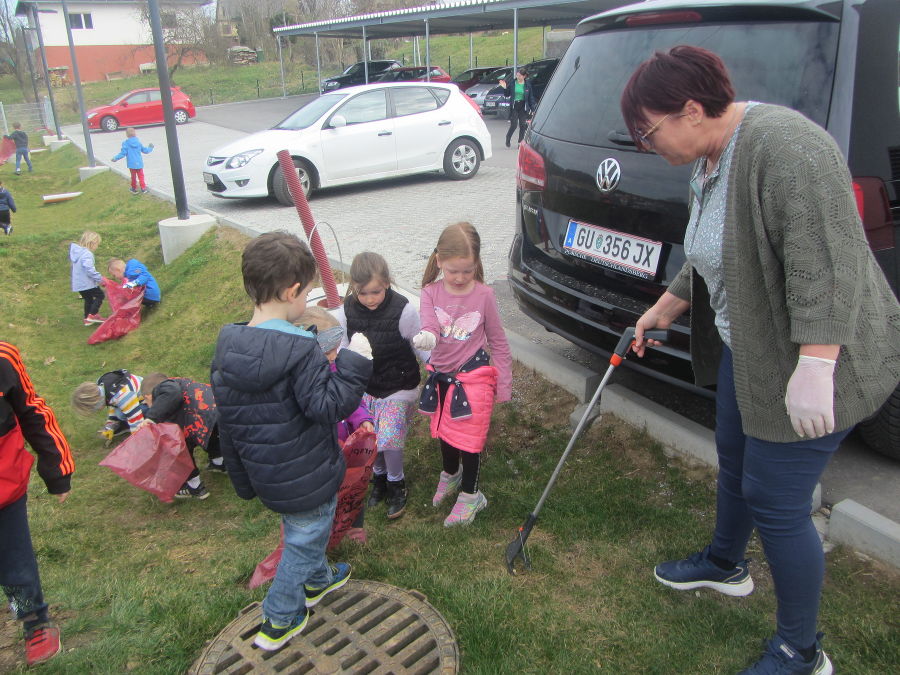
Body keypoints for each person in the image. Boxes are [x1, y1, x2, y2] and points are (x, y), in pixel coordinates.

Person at [620, 46, 900, 675]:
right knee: (737, 463)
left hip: (818, 360)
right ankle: (726, 563)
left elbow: (823, 269)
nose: (645, 145)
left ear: (692, 110)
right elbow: (718, 247)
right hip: (752, 353)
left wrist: (817, 365)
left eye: (648, 130)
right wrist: (667, 304)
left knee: (776, 500)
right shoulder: (709, 156)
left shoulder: (788, 150)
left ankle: (803, 652)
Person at [210, 231, 373, 651]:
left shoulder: (229, 345)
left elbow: (227, 422)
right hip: (307, 473)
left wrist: (243, 481)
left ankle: (318, 581)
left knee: (303, 531)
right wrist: (356, 362)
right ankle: (280, 616)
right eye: (306, 295)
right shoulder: (301, 349)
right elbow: (328, 406)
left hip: (269, 476)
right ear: (292, 291)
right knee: (304, 538)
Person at [414, 222, 512, 527]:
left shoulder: (483, 296)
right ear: (439, 260)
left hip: (474, 378)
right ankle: (451, 475)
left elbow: (498, 341)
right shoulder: (430, 293)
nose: (459, 278)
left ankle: (471, 496)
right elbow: (430, 325)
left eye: (467, 271)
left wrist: (504, 383)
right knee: (445, 431)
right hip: (442, 375)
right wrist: (427, 338)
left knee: (470, 440)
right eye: (453, 270)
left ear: (477, 265)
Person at [333, 252, 427, 521]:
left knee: (389, 436)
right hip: (366, 387)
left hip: (399, 385)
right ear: (353, 288)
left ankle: (397, 483)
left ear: (387, 283)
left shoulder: (404, 310)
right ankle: (380, 477)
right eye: (363, 293)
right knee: (371, 435)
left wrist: (435, 364)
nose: (370, 299)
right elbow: (340, 349)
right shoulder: (345, 312)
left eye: (376, 291)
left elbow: (419, 344)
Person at [1, 341, 74, 666]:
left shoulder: (3, 358)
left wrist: (56, 468)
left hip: (4, 488)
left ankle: (34, 619)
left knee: (13, 559)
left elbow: (32, 411)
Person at [298, 306, 374, 542]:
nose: (334, 355)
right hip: (319, 453)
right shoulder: (302, 381)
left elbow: (353, 400)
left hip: (347, 447)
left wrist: (363, 420)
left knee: (353, 487)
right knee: (325, 496)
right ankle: (327, 530)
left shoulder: (337, 368)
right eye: (327, 350)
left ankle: (354, 527)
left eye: (336, 348)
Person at [139, 373, 225, 501]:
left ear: (148, 396)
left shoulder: (164, 389)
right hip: (214, 411)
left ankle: (195, 487)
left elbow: (172, 394)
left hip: (201, 418)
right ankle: (219, 462)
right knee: (209, 436)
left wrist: (152, 417)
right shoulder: (179, 383)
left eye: (146, 402)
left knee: (181, 450)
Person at [71, 370, 147, 440]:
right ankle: (123, 424)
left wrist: (136, 441)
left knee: (125, 415)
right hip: (134, 399)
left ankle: (149, 422)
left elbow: (136, 419)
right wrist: (111, 424)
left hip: (149, 401)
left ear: (96, 403)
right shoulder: (102, 386)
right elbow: (113, 404)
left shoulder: (121, 396)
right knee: (120, 413)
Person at [69, 230, 106, 326]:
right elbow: (89, 270)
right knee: (100, 295)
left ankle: (87, 319)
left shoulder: (77, 253)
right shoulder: (87, 254)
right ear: (92, 243)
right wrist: (100, 279)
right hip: (87, 284)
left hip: (79, 285)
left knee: (88, 299)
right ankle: (92, 315)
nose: (97, 246)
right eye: (97, 244)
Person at [498, 68, 536, 148]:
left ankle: (520, 142)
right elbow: (507, 95)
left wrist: (533, 109)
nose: (517, 77)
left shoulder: (527, 85)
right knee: (514, 125)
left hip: (523, 106)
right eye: (517, 75)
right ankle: (508, 137)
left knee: (523, 125)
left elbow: (531, 98)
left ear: (524, 76)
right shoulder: (512, 83)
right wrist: (504, 88)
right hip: (514, 106)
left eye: (519, 75)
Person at [110, 127, 153, 194]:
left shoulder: (125, 143)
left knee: (133, 177)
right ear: (135, 134)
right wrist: (150, 148)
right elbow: (145, 150)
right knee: (141, 176)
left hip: (131, 164)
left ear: (127, 135)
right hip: (139, 163)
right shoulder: (138, 142)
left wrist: (115, 158)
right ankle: (143, 188)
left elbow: (123, 153)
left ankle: (134, 189)